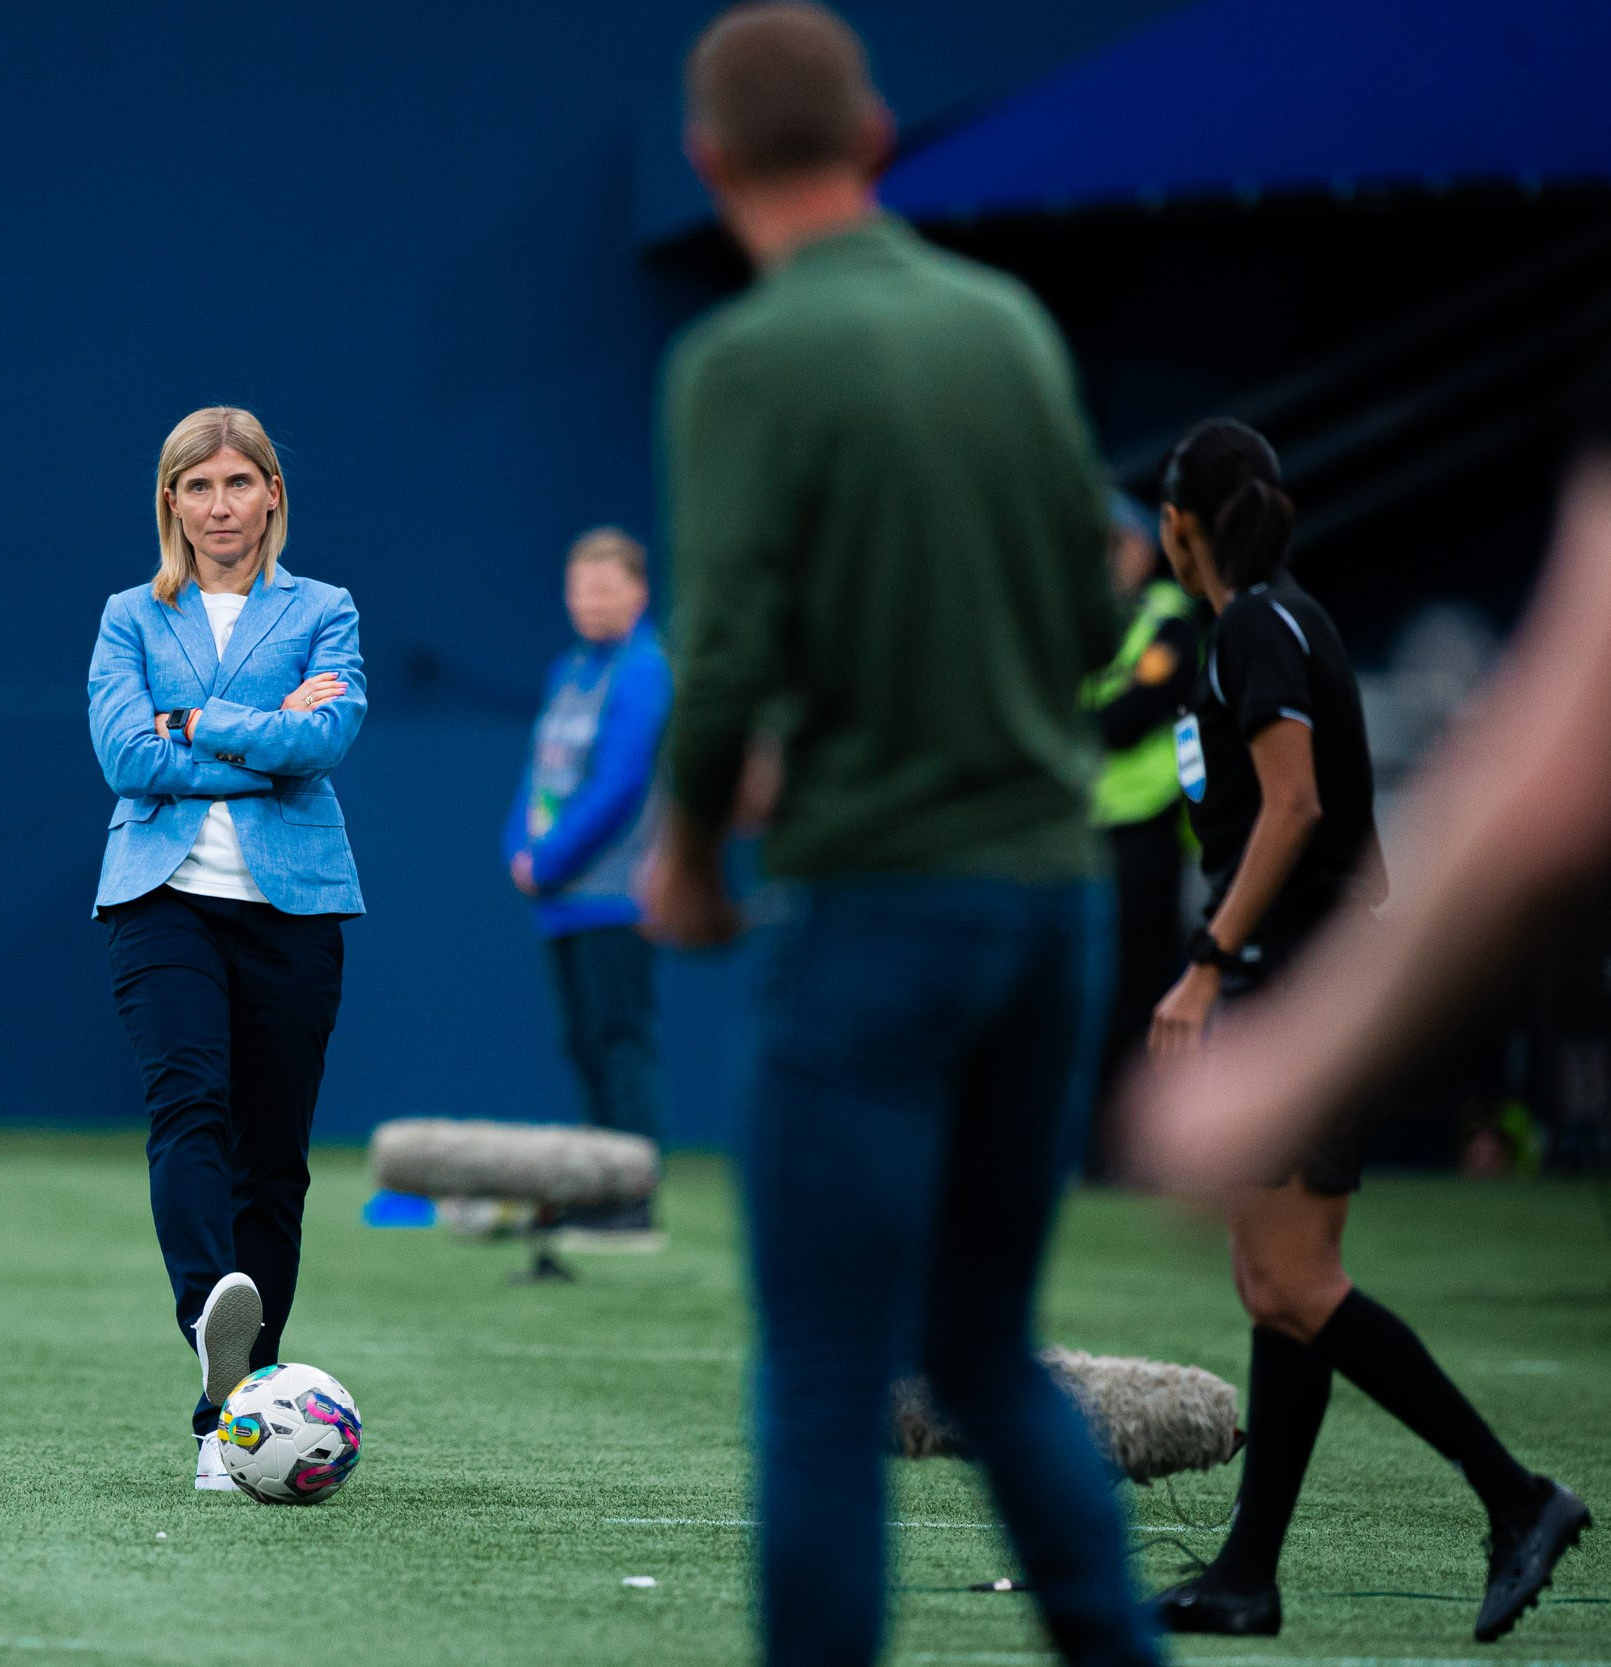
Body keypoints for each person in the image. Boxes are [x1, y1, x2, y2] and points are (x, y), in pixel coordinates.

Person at [640, 8, 1156, 1664]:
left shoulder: (739, 362)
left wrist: (693, 853)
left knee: (826, 1375)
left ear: (711, 164)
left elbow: (718, 656)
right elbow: (1098, 590)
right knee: (991, 1353)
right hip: (1052, 909)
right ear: (874, 134)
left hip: (875, 914)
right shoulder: (1006, 327)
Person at [1136, 418, 1586, 1642]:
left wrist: (1205, 962)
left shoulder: (1254, 626)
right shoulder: (1265, 622)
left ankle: (1517, 1496)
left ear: (1185, 521)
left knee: (1293, 1279)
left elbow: (1294, 808)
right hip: (1282, 970)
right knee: (1272, 1284)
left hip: (1289, 975)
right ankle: (1245, 1572)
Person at [86, 407, 366, 1492]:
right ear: (171, 502)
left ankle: (235, 1415)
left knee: (273, 1154)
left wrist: (194, 723)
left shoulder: (323, 609)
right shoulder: (128, 617)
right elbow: (123, 757)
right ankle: (216, 1323)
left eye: (238, 483)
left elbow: (328, 738)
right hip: (161, 896)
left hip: (294, 902)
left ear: (270, 496)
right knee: (188, 1101)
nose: (218, 506)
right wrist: (257, 727)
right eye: (196, 486)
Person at [503, 526, 673, 1240]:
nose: (591, 600)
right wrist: (517, 845)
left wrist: (549, 860)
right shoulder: (569, 669)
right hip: (563, 901)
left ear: (638, 591)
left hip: (615, 892)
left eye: (606, 586)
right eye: (580, 586)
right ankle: (598, 1193)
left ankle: (631, 1197)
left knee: (619, 1041)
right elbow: (540, 772)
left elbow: (622, 782)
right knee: (582, 1044)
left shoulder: (645, 669)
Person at [1083, 492, 1199, 1173]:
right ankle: (1101, 1153)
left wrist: (1074, 731)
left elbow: (1130, 716)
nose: (1107, 560)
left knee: (1145, 996)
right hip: (1089, 835)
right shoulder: (1081, 623)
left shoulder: (1168, 621)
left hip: (1148, 836)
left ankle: (1141, 1150)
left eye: (1116, 545)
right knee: (1093, 997)